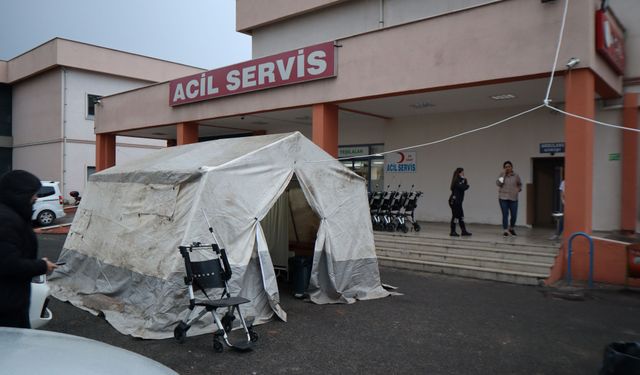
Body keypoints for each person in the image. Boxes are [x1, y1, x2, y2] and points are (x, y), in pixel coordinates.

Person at [0, 170, 57, 328]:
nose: (36, 198)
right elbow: (8, 264)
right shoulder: (6, 220)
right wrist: (42, 266)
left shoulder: (10, 214)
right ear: (19, 194)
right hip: (6, 306)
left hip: (10, 301)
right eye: (33, 193)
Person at [496, 161, 522, 237]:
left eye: (509, 166)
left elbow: (519, 184)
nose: (507, 168)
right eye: (506, 167)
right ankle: (505, 230)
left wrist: (518, 189)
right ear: (504, 168)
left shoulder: (516, 175)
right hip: (503, 197)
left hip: (513, 198)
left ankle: (511, 228)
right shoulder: (502, 175)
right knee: (505, 214)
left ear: (512, 167)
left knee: (514, 215)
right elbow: (499, 184)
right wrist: (503, 175)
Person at [448, 167, 472, 237]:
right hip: (454, 201)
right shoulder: (457, 181)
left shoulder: (460, 180)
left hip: (458, 201)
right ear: (459, 173)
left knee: (461, 216)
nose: (463, 173)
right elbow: (464, 187)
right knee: (455, 217)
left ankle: (463, 231)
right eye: (462, 172)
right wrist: (465, 182)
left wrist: (465, 182)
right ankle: (452, 231)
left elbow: (464, 187)